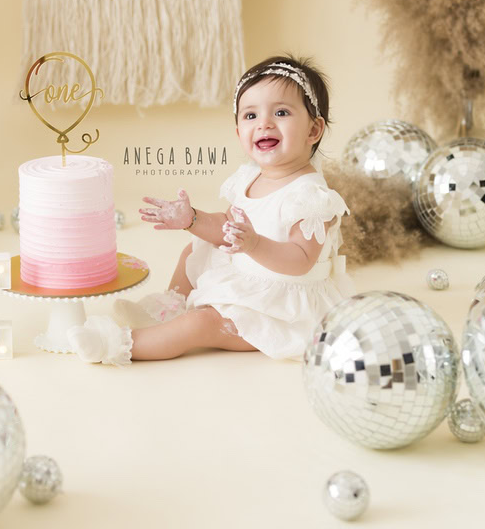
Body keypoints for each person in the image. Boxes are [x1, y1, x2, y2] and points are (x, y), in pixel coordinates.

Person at [67, 55, 355, 365]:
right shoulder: (250, 177)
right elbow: (226, 226)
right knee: (194, 249)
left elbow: (301, 259)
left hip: (281, 306)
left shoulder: (310, 196)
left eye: (281, 112)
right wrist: (192, 219)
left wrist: (255, 244)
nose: (264, 124)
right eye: (250, 115)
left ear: (314, 130)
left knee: (203, 324)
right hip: (246, 274)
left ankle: (118, 344)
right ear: (238, 132)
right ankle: (167, 308)